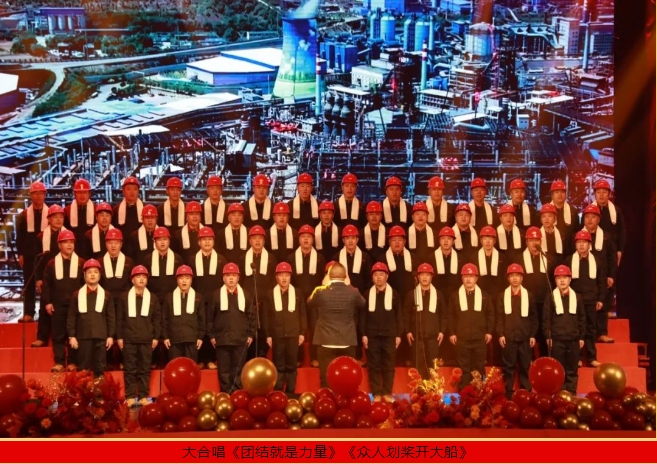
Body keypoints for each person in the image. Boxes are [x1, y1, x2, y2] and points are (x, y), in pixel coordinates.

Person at [307, 262, 366, 388]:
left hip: (325, 341)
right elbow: (363, 303)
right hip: (346, 341)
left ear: (329, 276)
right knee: (347, 378)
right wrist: (349, 285)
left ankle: (326, 398)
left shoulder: (320, 291)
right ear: (345, 276)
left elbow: (309, 302)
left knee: (325, 378)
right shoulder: (353, 291)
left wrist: (324, 285)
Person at [39, 230, 85, 371]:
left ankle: (72, 362)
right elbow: (46, 285)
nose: (69, 245)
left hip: (76, 305)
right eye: (65, 242)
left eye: (71, 242)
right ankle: (59, 362)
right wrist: (48, 302)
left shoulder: (81, 263)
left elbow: (84, 284)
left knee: (74, 334)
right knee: (58, 334)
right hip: (58, 305)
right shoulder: (51, 264)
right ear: (59, 245)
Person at [116, 265, 161, 407]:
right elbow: (120, 319)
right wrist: (119, 337)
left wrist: (156, 337)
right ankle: (130, 396)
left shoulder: (153, 298)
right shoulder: (124, 297)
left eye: (144, 277)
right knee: (130, 369)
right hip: (129, 338)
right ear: (132, 280)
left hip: (146, 338)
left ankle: (143, 396)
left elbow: (156, 319)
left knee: (144, 369)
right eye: (138, 276)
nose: (141, 279)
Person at [208, 263, 255, 393]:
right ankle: (225, 395)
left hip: (240, 339)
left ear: (238, 278)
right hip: (222, 339)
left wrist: (250, 334)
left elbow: (252, 316)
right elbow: (210, 317)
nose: (231, 278)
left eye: (234, 275)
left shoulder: (246, 295)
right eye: (228, 275)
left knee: (238, 369)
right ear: (223, 278)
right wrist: (211, 335)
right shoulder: (216, 295)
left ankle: (237, 394)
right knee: (223, 370)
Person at [447, 263, 495, 390]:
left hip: (479, 339)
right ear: (462, 278)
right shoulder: (455, 296)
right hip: (462, 339)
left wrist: (489, 332)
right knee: (463, 368)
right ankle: (463, 394)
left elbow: (490, 315)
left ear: (476, 278)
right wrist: (452, 333)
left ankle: (480, 393)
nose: (468, 279)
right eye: (466, 276)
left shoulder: (484, 296)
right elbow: (450, 316)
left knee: (479, 367)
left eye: (471, 276)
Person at [263, 262, 307, 397]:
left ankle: (290, 392)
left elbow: (302, 314)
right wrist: (268, 335)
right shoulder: (270, 294)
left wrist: (302, 333)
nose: (284, 278)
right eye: (281, 275)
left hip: (293, 333)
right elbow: (266, 316)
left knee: (292, 364)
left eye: (287, 275)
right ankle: (278, 392)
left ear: (290, 277)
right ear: (276, 277)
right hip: (277, 334)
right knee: (278, 364)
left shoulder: (297, 293)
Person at [285, 224, 326, 368]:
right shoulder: (291, 258)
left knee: (315, 327)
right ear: (299, 239)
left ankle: (315, 357)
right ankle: (297, 357)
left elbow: (323, 279)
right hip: (296, 298)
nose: (306, 239)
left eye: (309, 236)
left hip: (315, 299)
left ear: (313, 239)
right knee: (297, 328)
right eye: (303, 236)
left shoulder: (320, 258)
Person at [495, 264, 538, 398]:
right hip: (508, 338)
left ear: (522, 278)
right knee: (508, 367)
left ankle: (526, 393)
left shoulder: (529, 296)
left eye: (517, 275)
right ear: (508, 278)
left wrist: (532, 335)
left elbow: (533, 317)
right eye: (512, 275)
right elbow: (499, 317)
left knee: (525, 367)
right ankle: (508, 393)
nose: (514, 278)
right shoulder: (502, 296)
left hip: (525, 337)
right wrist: (501, 334)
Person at [361, 262, 402, 402]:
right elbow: (363, 316)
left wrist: (398, 335)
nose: (378, 277)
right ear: (372, 277)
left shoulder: (394, 294)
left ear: (387, 276)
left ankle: (387, 393)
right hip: (372, 335)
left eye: (381, 274)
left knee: (389, 365)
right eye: (376, 275)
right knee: (374, 365)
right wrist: (363, 334)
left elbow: (399, 316)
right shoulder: (367, 294)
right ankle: (377, 393)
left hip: (390, 335)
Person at [67, 259, 115, 378]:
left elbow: (111, 317)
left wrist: (110, 336)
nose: (92, 275)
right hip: (83, 336)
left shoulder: (107, 295)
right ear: (84, 275)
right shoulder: (77, 295)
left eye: (95, 272)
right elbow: (72, 316)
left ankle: (99, 390)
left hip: (101, 336)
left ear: (100, 275)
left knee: (100, 369)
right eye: (89, 272)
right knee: (83, 369)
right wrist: (72, 336)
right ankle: (83, 390)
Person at [543, 265, 586, 394]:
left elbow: (582, 318)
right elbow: (546, 319)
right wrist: (548, 336)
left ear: (570, 279)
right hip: (557, 339)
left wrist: (581, 337)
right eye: (559, 278)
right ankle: (559, 394)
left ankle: (572, 393)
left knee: (572, 369)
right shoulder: (550, 297)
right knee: (558, 368)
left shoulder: (577, 297)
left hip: (573, 338)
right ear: (555, 280)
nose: (562, 280)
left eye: (565, 277)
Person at [568, 230, 607, 368]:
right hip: (575, 301)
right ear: (575, 245)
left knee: (591, 329)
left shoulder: (597, 260)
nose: (581, 245)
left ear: (589, 244)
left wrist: (600, 299)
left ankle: (591, 357)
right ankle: (577, 357)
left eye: (584, 242)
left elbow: (601, 282)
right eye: (578, 242)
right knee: (576, 329)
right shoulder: (569, 260)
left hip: (591, 299)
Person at [190, 226, 227, 370]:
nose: (207, 242)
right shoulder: (192, 259)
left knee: (213, 330)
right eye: (204, 239)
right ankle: (200, 360)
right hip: (197, 301)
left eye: (209, 239)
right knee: (200, 330)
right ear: (199, 242)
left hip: (215, 301)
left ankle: (211, 359)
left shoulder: (221, 259)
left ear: (214, 242)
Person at [581, 204, 617, 343]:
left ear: (598, 219)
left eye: (593, 217)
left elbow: (612, 258)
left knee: (602, 302)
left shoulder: (606, 237)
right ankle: (583, 334)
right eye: (587, 217)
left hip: (602, 275)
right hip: (584, 276)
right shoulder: (577, 237)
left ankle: (602, 333)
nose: (590, 220)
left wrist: (611, 276)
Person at [404, 263, 445, 380]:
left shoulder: (439, 294)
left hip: (433, 336)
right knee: (418, 366)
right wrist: (407, 331)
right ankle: (419, 389)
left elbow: (443, 315)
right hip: (417, 336)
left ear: (432, 277)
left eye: (427, 275)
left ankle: (433, 390)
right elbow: (406, 315)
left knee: (433, 367)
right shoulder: (411, 294)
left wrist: (442, 331)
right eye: (422, 275)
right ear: (418, 277)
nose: (425, 277)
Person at [16, 181, 49, 322]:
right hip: (29, 255)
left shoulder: (50, 214)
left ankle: (45, 312)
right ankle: (29, 312)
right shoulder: (23, 216)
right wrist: (21, 254)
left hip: (46, 255)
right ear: (30, 195)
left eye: (41, 193)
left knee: (46, 284)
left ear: (45, 195)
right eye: (35, 193)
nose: (38, 196)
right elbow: (20, 237)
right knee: (29, 284)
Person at [162, 265, 205, 362]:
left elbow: (202, 319)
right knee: (175, 367)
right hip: (174, 340)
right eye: (181, 278)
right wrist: (165, 337)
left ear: (191, 280)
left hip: (192, 340)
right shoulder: (169, 297)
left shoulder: (198, 297)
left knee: (190, 367)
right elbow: (164, 319)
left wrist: (200, 337)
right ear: (177, 280)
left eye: (187, 278)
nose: (184, 281)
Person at [334, 225, 371, 294]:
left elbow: (369, 278)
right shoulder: (337, 257)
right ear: (343, 240)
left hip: (360, 293)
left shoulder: (365, 257)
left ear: (357, 240)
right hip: (341, 293)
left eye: (353, 238)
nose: (350, 241)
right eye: (347, 238)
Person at [432, 226, 463, 301]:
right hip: (436, 295)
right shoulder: (431, 258)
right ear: (439, 241)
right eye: (443, 238)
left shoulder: (461, 259)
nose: (446, 241)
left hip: (455, 295)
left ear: (453, 241)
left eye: (449, 239)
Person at [172, 201, 203, 265]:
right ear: (186, 217)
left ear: (200, 217)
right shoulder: (177, 234)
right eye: (191, 214)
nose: (194, 217)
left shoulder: (207, 233)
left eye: (197, 214)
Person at [65, 179, 95, 244]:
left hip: (92, 245)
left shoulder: (96, 210)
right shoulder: (67, 211)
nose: (82, 195)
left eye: (85, 192)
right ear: (74, 194)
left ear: (89, 194)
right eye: (79, 192)